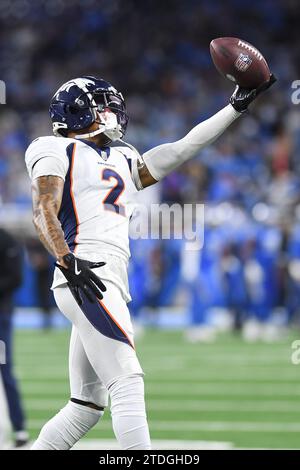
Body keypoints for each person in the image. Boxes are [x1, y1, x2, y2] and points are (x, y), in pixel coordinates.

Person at [25, 74, 275, 450]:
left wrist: (235, 108)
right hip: (87, 273)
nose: (111, 111)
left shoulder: (122, 156)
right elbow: (43, 207)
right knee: (127, 380)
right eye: (101, 104)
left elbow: (183, 147)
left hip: (104, 275)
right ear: (75, 112)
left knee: (86, 406)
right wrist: (67, 260)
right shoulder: (52, 148)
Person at [0, 228, 28, 447]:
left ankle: (19, 428)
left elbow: (16, 277)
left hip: (0, 315)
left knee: (4, 369)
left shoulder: (7, 239)